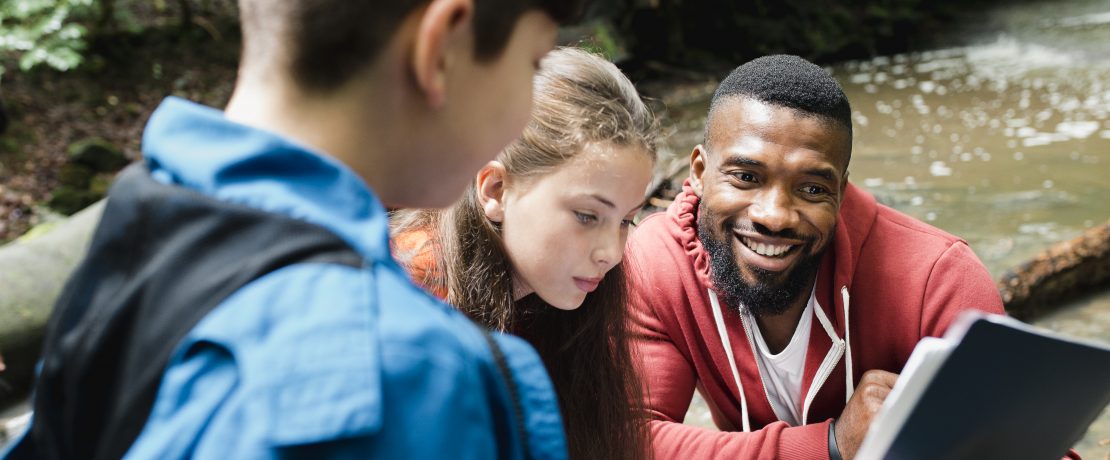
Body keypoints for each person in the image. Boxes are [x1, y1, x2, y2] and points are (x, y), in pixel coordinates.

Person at [3, 0, 588, 458]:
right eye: (531, 65)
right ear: (444, 47)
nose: (521, 114)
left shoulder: (137, 237)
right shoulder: (406, 373)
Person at [624, 54, 1013, 459]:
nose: (774, 216)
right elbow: (625, 439)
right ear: (700, 172)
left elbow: (1034, 443)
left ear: (841, 193)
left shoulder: (938, 277)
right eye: (746, 177)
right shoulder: (657, 262)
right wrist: (830, 446)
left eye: (811, 189)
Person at [392, 47, 657, 460]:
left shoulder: (566, 303)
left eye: (626, 221)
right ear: (495, 190)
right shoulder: (408, 295)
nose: (613, 253)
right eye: (587, 216)